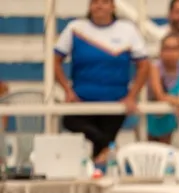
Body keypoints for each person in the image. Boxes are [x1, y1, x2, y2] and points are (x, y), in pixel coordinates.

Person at [53, 0, 150, 164]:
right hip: (82, 102)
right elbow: (55, 61)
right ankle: (109, 146)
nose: (99, 6)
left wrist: (132, 96)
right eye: (95, 2)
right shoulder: (75, 28)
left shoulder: (127, 30)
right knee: (71, 123)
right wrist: (67, 90)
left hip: (115, 103)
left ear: (113, 7)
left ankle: (106, 153)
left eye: (104, 2)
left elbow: (144, 66)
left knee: (100, 156)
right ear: (89, 6)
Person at [147, 32, 179, 144]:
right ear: (160, 51)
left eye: (175, 48)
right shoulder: (155, 68)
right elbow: (160, 95)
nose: (170, 53)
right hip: (154, 115)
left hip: (174, 114)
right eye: (167, 49)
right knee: (153, 145)